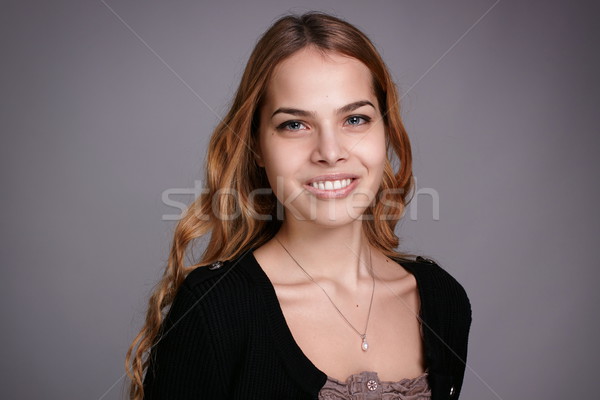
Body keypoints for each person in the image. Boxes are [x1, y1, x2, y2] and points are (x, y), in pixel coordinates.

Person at [125, 11, 471, 400]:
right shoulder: (214, 310)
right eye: (294, 124)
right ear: (256, 144)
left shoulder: (443, 300)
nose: (330, 152)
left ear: (386, 132)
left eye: (355, 119)